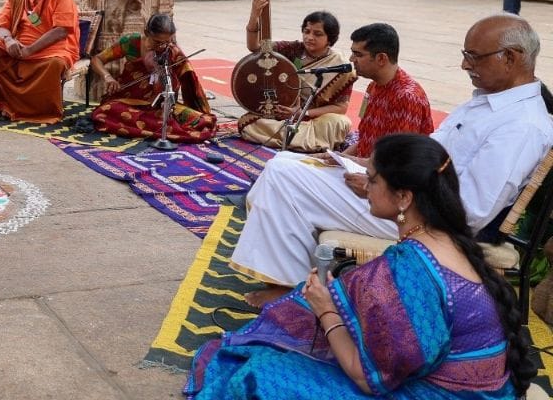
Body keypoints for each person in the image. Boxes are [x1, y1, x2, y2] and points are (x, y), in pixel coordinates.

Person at [231, 13, 553, 303]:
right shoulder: (488, 103)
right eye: (465, 55)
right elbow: (425, 149)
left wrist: (386, 191)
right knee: (286, 165)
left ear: (510, 58)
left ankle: (291, 287)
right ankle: (295, 280)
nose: (465, 65)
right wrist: (373, 169)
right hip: (405, 195)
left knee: (281, 176)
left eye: (473, 57)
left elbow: (469, 212)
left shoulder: (522, 126)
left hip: (424, 221)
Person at [187, 133, 534, 400]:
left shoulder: (411, 267)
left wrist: (325, 310)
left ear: (403, 197)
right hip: (476, 390)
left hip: (438, 394)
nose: (364, 187)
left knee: (260, 375)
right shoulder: (449, 241)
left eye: (372, 179)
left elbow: (370, 378)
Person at [238, 0, 356, 151]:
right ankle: (306, 142)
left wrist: (302, 113)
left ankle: (293, 139)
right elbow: (255, 47)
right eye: (306, 31)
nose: (309, 37)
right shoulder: (293, 49)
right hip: (282, 115)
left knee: (340, 122)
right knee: (247, 122)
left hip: (315, 118)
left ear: (330, 38)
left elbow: (341, 107)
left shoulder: (341, 65)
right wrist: (255, 14)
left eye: (317, 34)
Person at [88, 13, 216, 141]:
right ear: (146, 32)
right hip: (129, 101)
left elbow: (189, 79)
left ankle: (148, 128)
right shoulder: (130, 43)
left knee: (200, 121)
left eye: (167, 42)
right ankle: (156, 129)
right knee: (103, 112)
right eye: (157, 42)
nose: (162, 46)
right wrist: (108, 77)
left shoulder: (172, 51)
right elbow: (96, 59)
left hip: (160, 106)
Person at [338, 22, 435, 159]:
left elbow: (395, 160)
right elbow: (364, 139)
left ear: (381, 59)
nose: (351, 59)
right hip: (364, 170)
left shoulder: (406, 97)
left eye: (358, 54)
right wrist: (338, 158)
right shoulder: (373, 86)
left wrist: (349, 161)